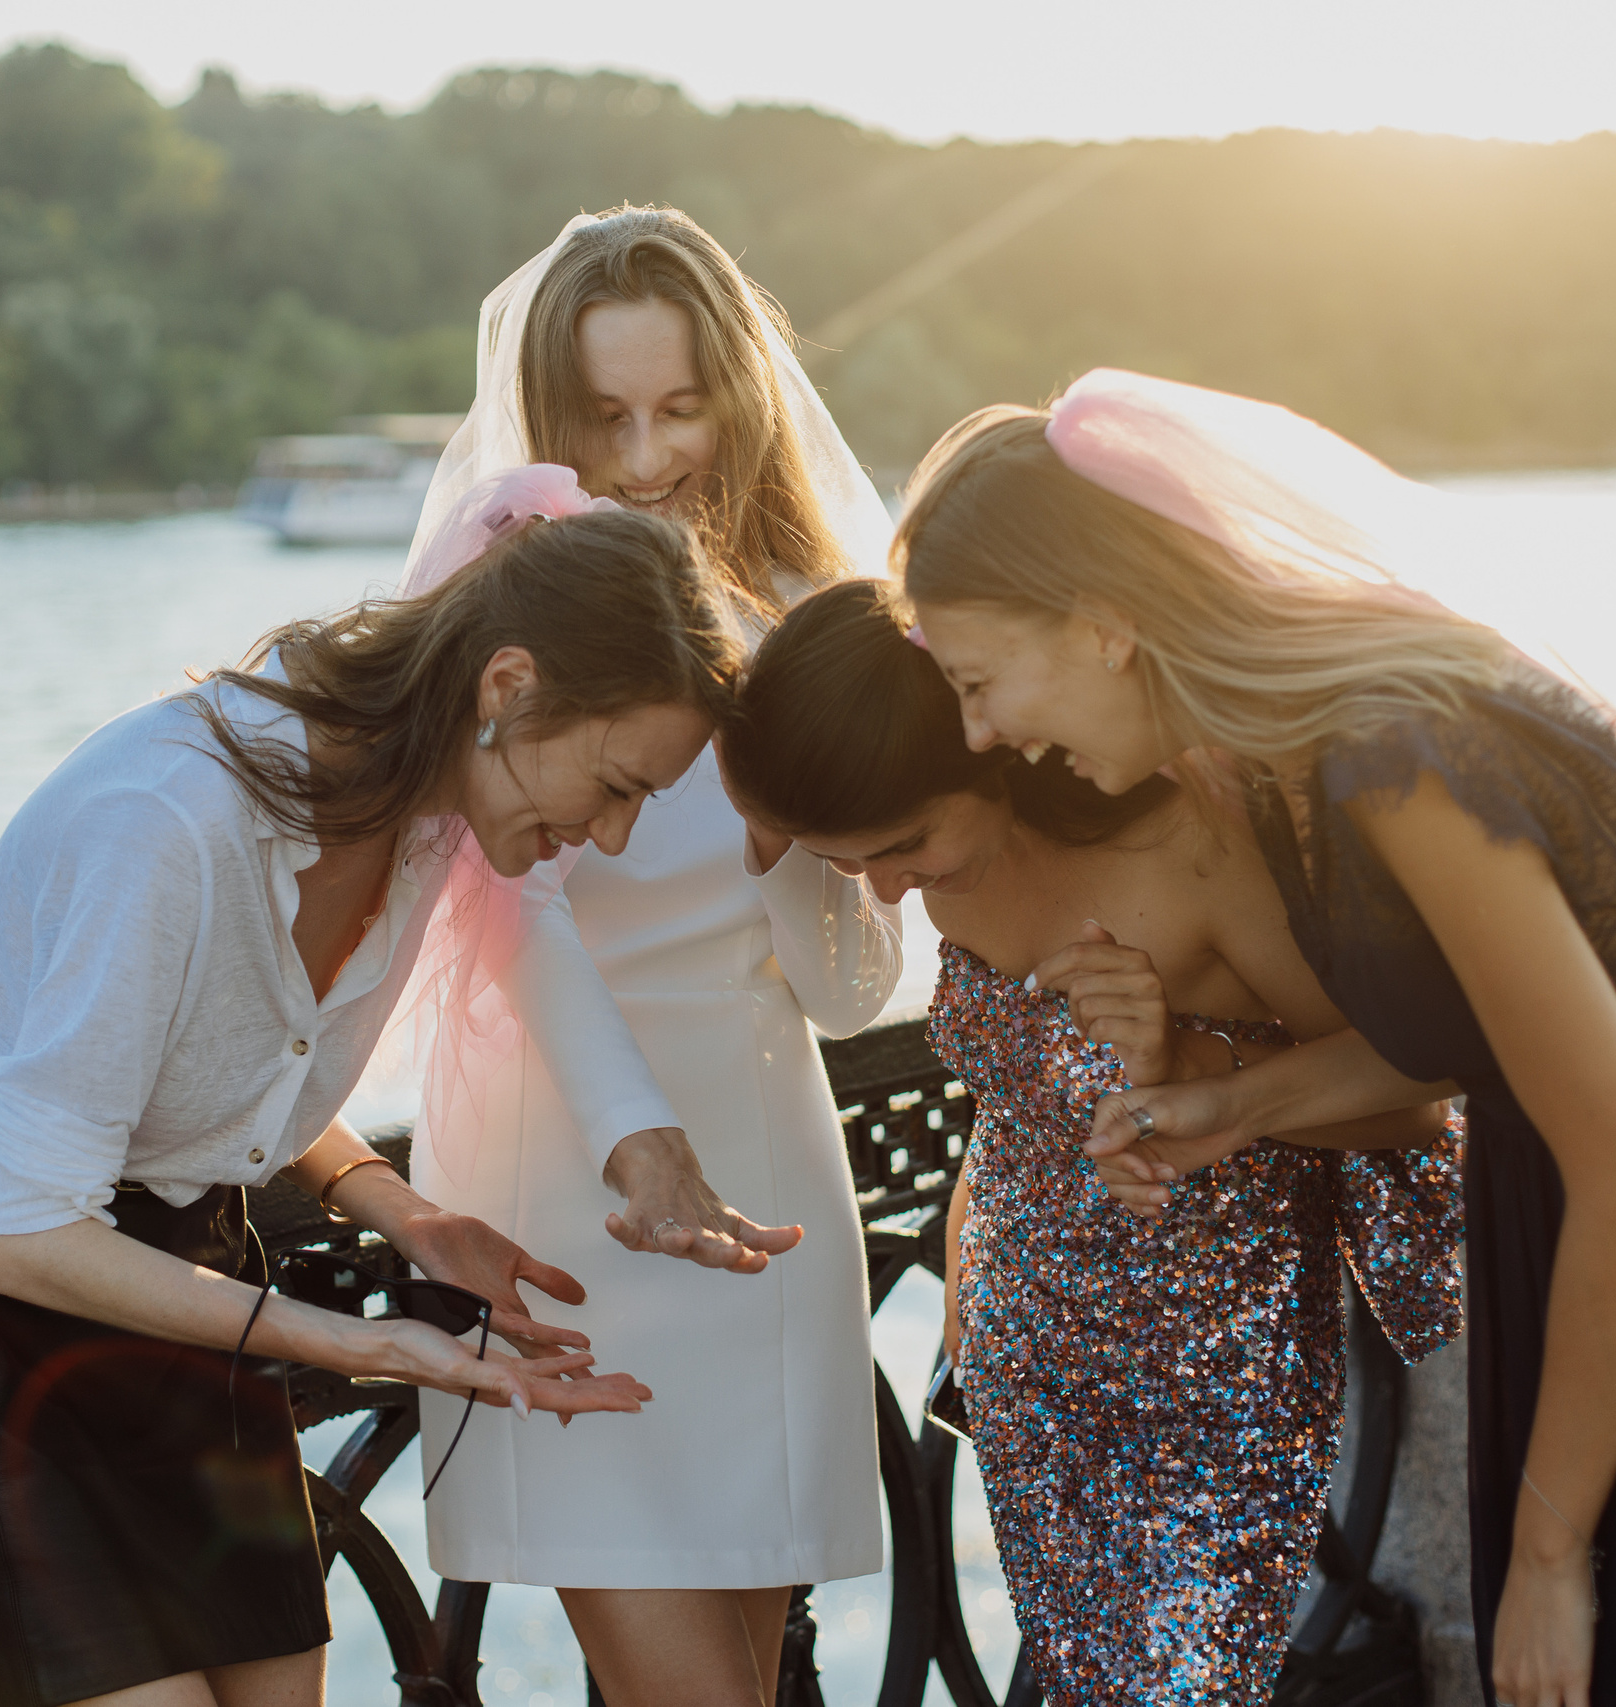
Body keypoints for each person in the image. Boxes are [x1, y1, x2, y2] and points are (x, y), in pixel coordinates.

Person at [889, 368, 1616, 1707]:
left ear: (1099, 626)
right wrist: (1242, 1105)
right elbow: (1479, 1037)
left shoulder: (1398, 754)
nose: (983, 734)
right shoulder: (1290, 750)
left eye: (978, 679)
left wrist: (1546, 1553)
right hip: (1607, 1186)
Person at [0, 488, 743, 1707]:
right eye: (620, 783)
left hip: (181, 1272)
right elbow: (20, 1231)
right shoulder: (170, 818)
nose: (618, 836)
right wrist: (366, 1344)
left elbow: (202, 1075)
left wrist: (399, 1212)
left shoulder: (427, 826)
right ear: (509, 686)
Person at [718, 578, 1464, 1704]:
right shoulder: (948, 880)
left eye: (903, 844)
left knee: (1185, 1681)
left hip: (1212, 1367)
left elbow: (1416, 1091)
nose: (887, 888)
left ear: (985, 748)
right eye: (848, 863)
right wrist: (973, 1308)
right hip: (1025, 1361)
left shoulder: (1192, 851)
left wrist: (1206, 1079)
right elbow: (1013, 1110)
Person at [398, 206, 900, 1707]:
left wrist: (788, 847)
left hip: (774, 1197)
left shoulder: (812, 616)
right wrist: (640, 1139)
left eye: (679, 408)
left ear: (738, 400)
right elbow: (506, 918)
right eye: (601, 417)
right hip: (571, 1193)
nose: (640, 457)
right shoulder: (493, 614)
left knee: (744, 1678)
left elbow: (853, 993)